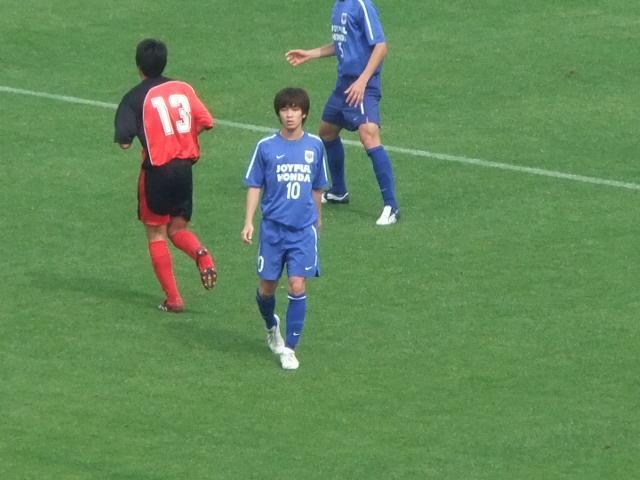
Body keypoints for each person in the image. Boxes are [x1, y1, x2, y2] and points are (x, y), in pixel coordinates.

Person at [114, 38, 217, 313]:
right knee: (178, 228)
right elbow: (207, 121)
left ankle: (174, 299)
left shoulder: (133, 98)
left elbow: (124, 142)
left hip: (157, 172)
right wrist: (182, 139)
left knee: (156, 234)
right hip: (184, 169)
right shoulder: (183, 88)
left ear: (138, 66)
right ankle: (202, 255)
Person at [286, 0, 400, 225]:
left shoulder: (361, 5)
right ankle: (339, 191)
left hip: (363, 85)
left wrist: (363, 81)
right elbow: (343, 44)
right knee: (327, 132)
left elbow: (381, 46)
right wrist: (311, 54)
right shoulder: (339, 6)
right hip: (344, 84)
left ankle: (392, 206)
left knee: (369, 135)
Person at [242, 87, 328, 370]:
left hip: (302, 231)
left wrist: (317, 220)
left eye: (295, 109)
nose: (289, 115)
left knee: (297, 284)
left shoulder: (315, 146)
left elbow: (317, 187)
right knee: (267, 288)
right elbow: (255, 185)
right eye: (284, 109)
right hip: (273, 230)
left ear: (304, 114)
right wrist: (249, 221)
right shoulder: (266, 147)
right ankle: (271, 326)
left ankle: (290, 348)